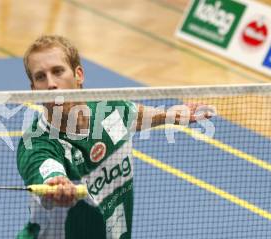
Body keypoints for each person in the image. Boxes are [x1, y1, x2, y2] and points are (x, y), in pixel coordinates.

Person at [16, 35, 213, 239]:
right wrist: (57, 185)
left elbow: (135, 117)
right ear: (33, 91)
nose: (51, 84)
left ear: (78, 75)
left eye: (58, 71)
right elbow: (47, 170)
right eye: (40, 77)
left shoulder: (110, 111)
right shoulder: (36, 144)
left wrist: (170, 115)